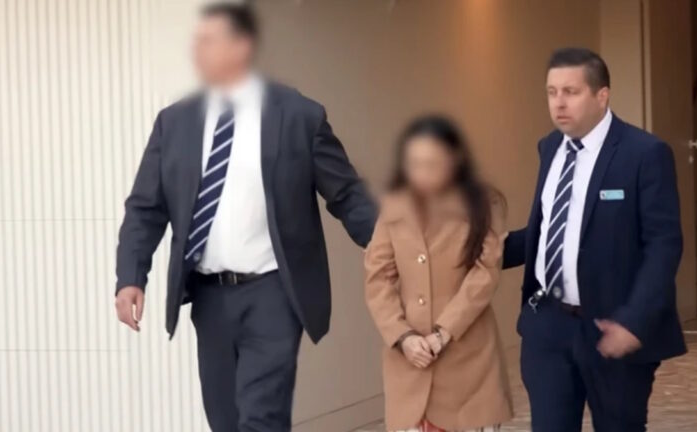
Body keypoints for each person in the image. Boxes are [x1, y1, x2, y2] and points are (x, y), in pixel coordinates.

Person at [113, 3, 380, 431]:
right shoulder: (174, 123)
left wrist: (391, 248)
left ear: (242, 46)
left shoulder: (298, 116)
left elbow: (347, 194)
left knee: (262, 417)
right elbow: (145, 207)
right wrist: (131, 277)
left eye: (209, 41)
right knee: (225, 419)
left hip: (273, 292)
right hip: (209, 297)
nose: (197, 50)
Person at [502, 47, 687, 431]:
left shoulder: (644, 153)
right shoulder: (549, 148)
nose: (558, 103)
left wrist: (634, 321)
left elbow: (663, 245)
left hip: (613, 327)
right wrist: (490, 249)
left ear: (602, 96)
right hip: (548, 326)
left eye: (571, 92)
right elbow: (552, 229)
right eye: (552, 92)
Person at [365, 115, 521, 432]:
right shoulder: (394, 207)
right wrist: (403, 337)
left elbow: (485, 274)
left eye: (431, 163)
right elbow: (377, 278)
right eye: (415, 164)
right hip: (409, 360)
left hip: (468, 357)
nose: (421, 173)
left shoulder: (483, 204)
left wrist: (443, 333)